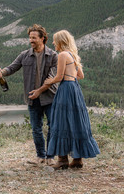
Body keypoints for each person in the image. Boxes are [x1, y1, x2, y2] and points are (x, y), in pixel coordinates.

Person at [0, 24, 58, 166]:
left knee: (53, 127)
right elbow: (12, 68)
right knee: (36, 128)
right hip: (32, 99)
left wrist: (39, 91)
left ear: (43, 39)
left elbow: (52, 79)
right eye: (30, 38)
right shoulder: (24, 55)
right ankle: (41, 156)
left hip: (50, 97)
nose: (31, 40)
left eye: (34, 38)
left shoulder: (53, 56)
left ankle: (51, 156)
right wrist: (1, 72)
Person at [44, 30, 100, 170]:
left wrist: (49, 82)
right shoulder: (72, 55)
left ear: (61, 42)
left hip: (66, 90)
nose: (53, 43)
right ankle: (77, 160)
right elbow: (80, 75)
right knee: (75, 121)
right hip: (75, 88)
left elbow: (59, 77)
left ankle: (62, 160)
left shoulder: (62, 55)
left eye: (55, 40)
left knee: (62, 120)